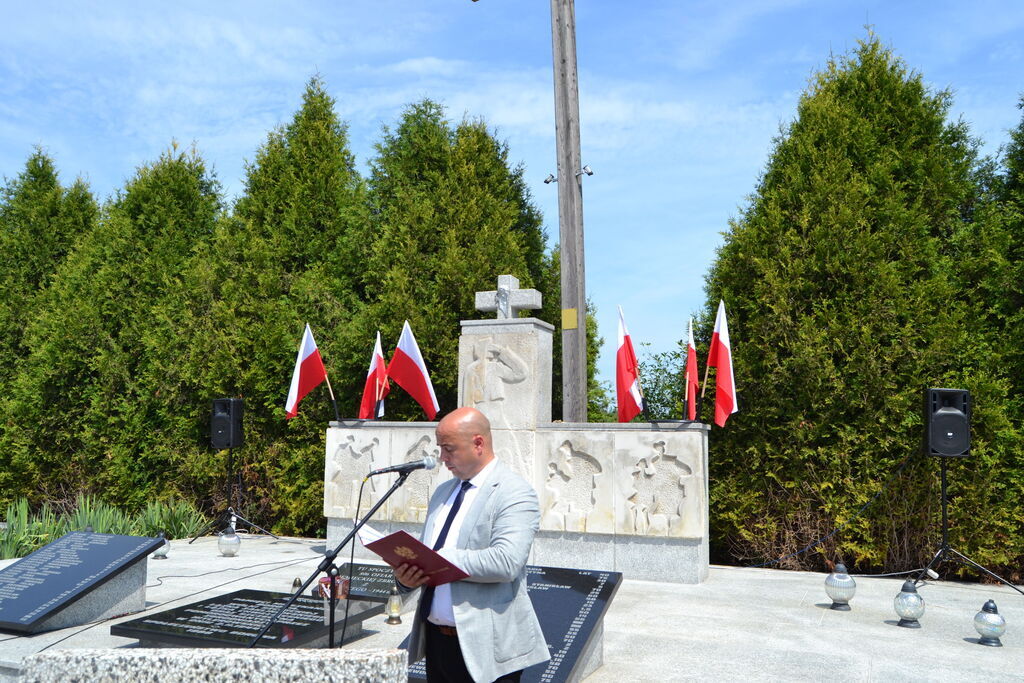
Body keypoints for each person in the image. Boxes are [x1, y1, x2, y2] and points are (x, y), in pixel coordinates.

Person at [392, 406, 549, 683]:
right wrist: (408, 577)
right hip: (437, 643)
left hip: (487, 647)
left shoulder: (514, 492)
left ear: (478, 443)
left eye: (449, 448)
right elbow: (426, 553)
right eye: (440, 448)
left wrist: (442, 559)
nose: (442, 458)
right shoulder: (443, 492)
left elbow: (506, 562)